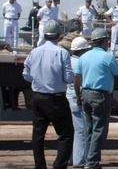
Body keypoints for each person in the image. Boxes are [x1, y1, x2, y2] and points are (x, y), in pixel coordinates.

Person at [22, 20, 74, 169]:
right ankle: (59, 165)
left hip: (38, 96)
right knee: (66, 134)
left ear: (44, 34)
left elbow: (26, 74)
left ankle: (40, 166)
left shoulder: (35, 51)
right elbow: (68, 78)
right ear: (59, 35)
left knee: (38, 135)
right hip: (56, 98)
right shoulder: (62, 52)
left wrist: (39, 79)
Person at [74, 27, 118, 169]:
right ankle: (92, 163)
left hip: (85, 94)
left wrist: (79, 96)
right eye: (107, 41)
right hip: (100, 96)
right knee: (98, 130)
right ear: (104, 42)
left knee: (88, 129)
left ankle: (87, 160)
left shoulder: (83, 57)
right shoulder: (107, 57)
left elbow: (77, 78)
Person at [67, 36, 91, 168]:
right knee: (81, 130)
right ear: (83, 50)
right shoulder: (81, 62)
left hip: (66, 97)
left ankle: (70, 158)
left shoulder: (68, 60)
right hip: (76, 98)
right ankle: (79, 160)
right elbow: (79, 80)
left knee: (70, 130)